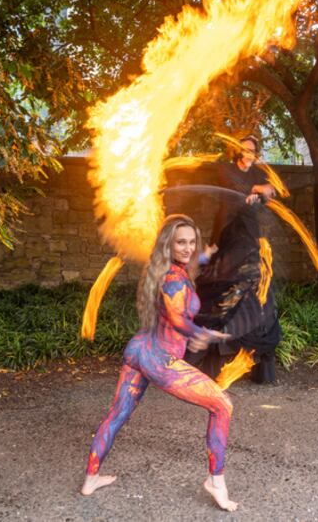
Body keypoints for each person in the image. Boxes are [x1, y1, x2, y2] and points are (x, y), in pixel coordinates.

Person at [80, 214, 237, 512]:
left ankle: (91, 479)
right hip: (160, 360)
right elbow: (178, 319)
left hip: (139, 350)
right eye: (181, 243)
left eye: (192, 242)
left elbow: (191, 264)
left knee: (116, 415)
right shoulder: (174, 281)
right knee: (223, 406)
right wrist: (201, 333)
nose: (188, 248)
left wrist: (207, 254)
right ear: (169, 245)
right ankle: (215, 482)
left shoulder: (167, 270)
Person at [187, 134, 281, 383]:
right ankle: (209, 362)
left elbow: (270, 192)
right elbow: (232, 188)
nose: (249, 153)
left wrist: (264, 191)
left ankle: (256, 364)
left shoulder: (259, 175)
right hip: (228, 233)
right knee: (221, 292)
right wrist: (252, 190)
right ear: (237, 151)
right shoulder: (226, 169)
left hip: (250, 236)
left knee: (254, 291)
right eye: (245, 149)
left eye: (253, 150)